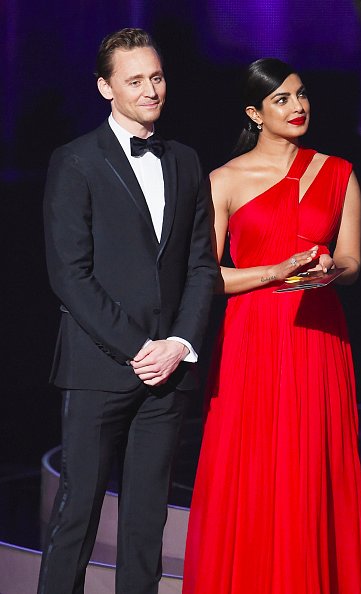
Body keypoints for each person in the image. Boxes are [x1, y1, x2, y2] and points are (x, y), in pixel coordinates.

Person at [182, 58, 361, 594]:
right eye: (283, 100)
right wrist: (274, 271)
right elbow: (206, 277)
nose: (298, 107)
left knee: (311, 471)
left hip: (317, 335)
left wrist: (330, 270)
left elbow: (354, 262)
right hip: (251, 340)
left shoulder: (338, 172)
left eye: (301, 95)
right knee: (250, 471)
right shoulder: (223, 179)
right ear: (255, 112)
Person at [37, 27, 217, 594]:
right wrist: (141, 348)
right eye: (135, 80)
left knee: (147, 524)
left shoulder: (186, 160)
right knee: (76, 515)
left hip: (168, 370)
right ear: (105, 87)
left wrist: (179, 344)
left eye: (156, 77)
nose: (150, 90)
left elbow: (200, 266)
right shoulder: (75, 161)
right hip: (100, 368)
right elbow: (70, 273)